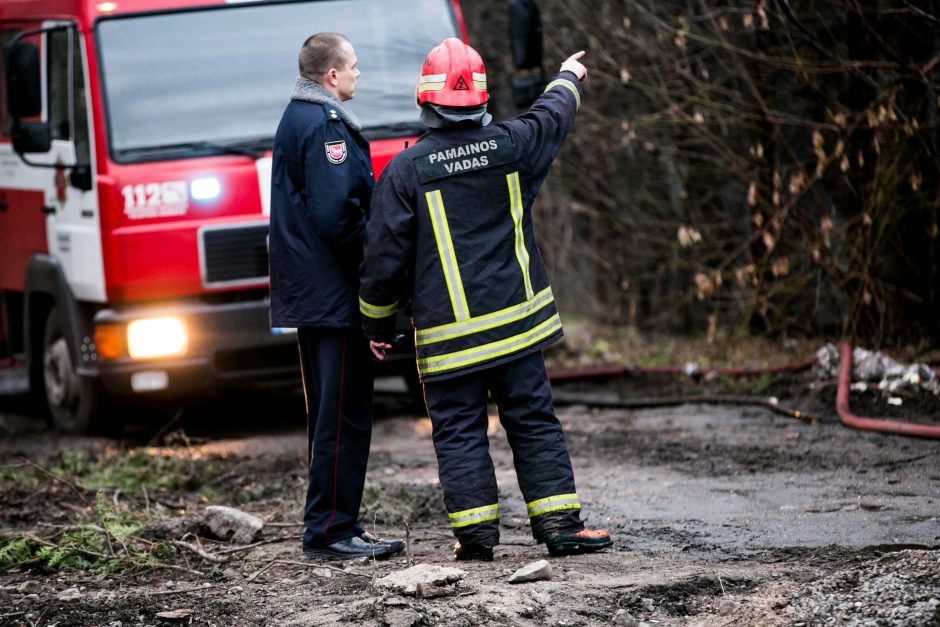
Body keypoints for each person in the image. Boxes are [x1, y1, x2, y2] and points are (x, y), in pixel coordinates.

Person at [358, 38, 612, 560]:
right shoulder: (514, 145)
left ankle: (475, 540)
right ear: (480, 98)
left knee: (458, 432)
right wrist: (568, 75)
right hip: (519, 329)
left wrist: (378, 327)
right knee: (533, 421)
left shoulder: (405, 171)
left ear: (423, 101)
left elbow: (382, 259)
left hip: (449, 341)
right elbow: (553, 114)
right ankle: (561, 528)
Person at [268, 32, 403, 560]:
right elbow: (338, 216)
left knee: (331, 415)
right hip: (335, 297)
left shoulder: (296, 116)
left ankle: (338, 522)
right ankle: (329, 532)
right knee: (343, 417)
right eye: (353, 67)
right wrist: (375, 274)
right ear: (331, 76)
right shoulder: (325, 128)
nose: (357, 74)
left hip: (314, 296)